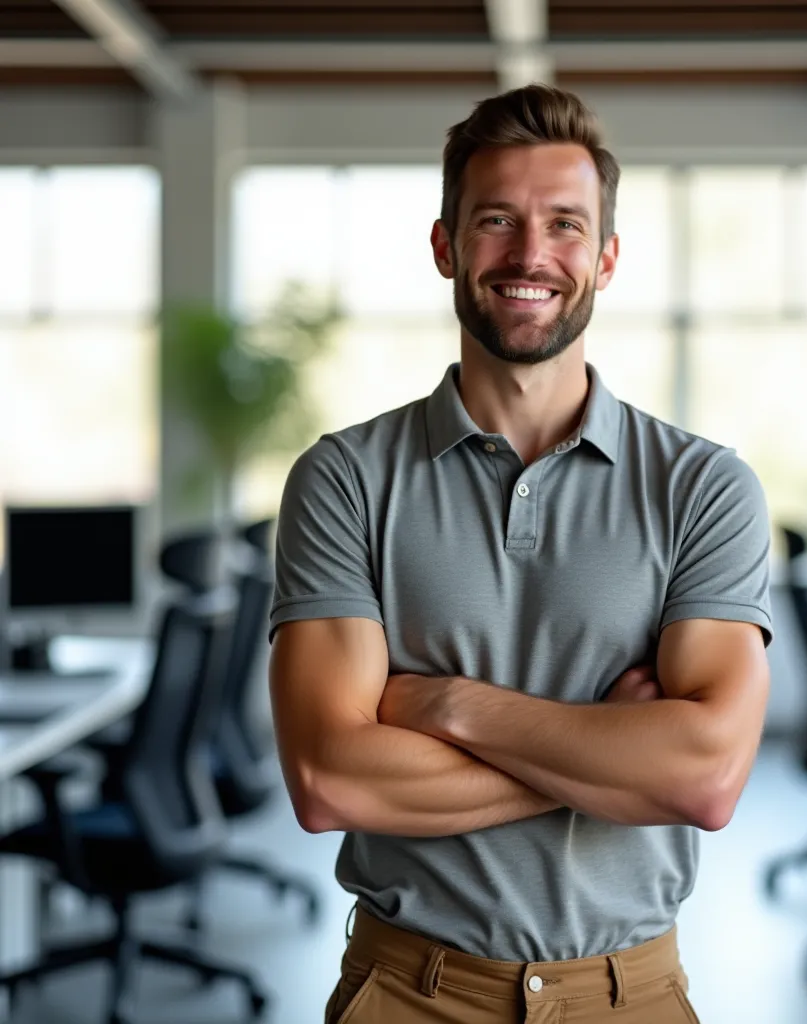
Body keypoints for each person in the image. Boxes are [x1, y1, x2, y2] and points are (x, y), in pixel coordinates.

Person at [269, 84, 772, 1024]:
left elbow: (702, 779)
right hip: (403, 994)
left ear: (607, 258)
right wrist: (610, 757)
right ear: (445, 245)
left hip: (633, 995)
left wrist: (445, 705)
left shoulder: (704, 488)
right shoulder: (344, 480)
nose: (530, 255)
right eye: (496, 220)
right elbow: (330, 778)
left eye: (565, 226)